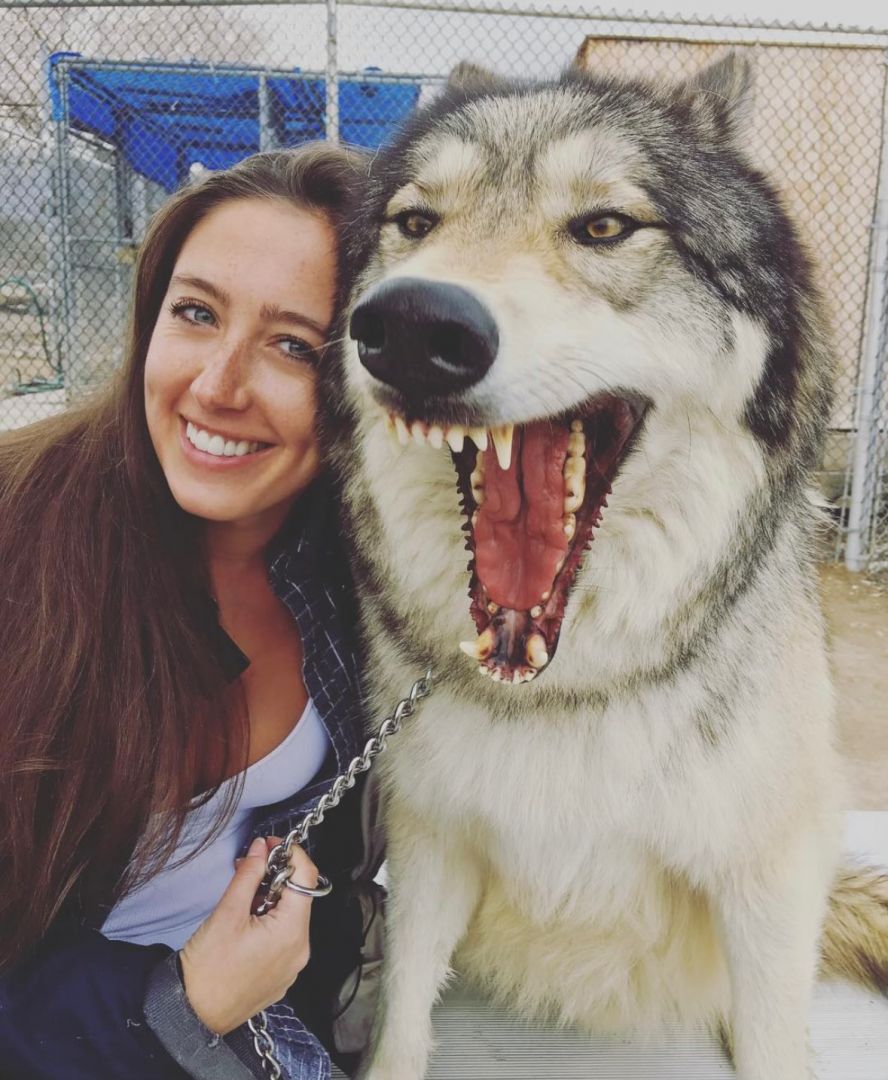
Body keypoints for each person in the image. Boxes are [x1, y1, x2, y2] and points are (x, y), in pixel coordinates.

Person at [0, 145, 372, 1080]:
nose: (218, 386)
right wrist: (181, 1002)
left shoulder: (361, 580)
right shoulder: (20, 541)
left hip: (263, 1042)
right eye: (197, 313)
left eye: (296, 347)